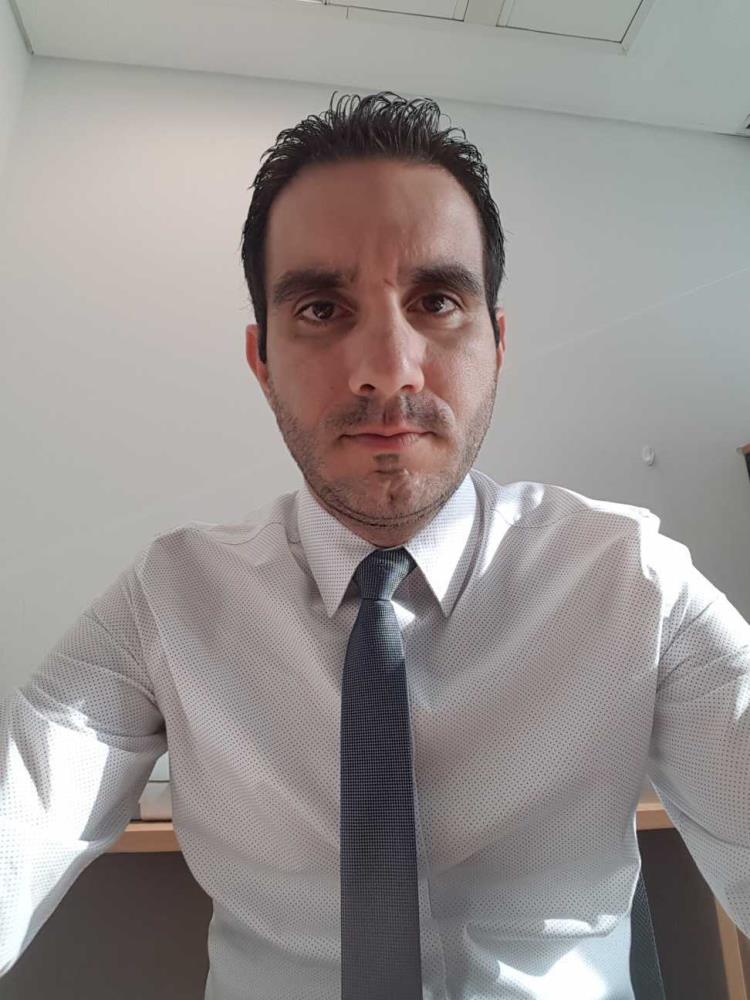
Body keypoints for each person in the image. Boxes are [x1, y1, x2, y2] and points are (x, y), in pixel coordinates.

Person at [1, 91, 749, 1000]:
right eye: (321, 308)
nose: (388, 369)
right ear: (261, 359)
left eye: (437, 301)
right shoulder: (169, 601)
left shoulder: (632, 583)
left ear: (497, 344)